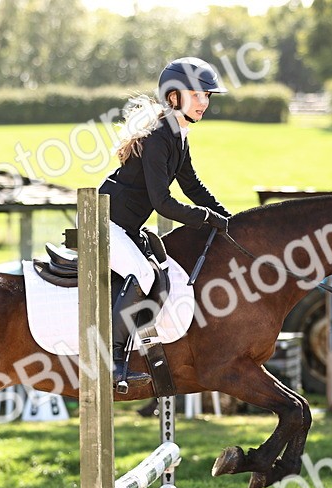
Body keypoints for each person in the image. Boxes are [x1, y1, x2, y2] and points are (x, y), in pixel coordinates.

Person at [99, 56, 232, 392]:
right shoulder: (159, 136)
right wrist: (205, 218)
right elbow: (162, 202)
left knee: (163, 272)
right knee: (143, 275)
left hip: (126, 226)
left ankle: (145, 350)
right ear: (174, 97)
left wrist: (230, 220)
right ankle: (114, 364)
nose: (205, 102)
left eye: (207, 96)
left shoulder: (178, 134)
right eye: (198, 95)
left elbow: (193, 187)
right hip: (103, 223)